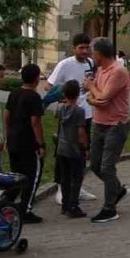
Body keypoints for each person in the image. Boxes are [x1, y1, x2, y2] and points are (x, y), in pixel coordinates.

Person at [42, 34, 99, 205]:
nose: (84, 51)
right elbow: (48, 86)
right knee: (64, 152)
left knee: (81, 152)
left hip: (86, 114)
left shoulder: (90, 64)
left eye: (87, 47)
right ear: (74, 48)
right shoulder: (65, 64)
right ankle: (61, 187)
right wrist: (62, 98)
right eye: (81, 47)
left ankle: (77, 186)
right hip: (68, 117)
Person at [86, 36, 130, 223]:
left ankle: (109, 208)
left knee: (106, 167)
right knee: (95, 165)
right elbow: (95, 98)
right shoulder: (100, 70)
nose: (91, 55)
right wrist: (95, 97)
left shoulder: (118, 71)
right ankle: (117, 190)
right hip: (99, 123)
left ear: (99, 53)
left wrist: (91, 88)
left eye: (93, 52)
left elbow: (103, 98)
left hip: (115, 125)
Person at [6, 63, 46, 223]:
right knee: (32, 176)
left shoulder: (14, 93)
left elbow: (7, 115)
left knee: (16, 175)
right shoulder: (34, 97)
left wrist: (8, 134)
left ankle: (6, 205)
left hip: (13, 141)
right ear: (36, 78)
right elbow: (35, 122)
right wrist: (41, 144)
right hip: (28, 143)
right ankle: (25, 209)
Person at [55, 80, 90, 218]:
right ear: (78, 93)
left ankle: (65, 204)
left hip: (62, 148)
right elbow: (81, 132)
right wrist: (86, 147)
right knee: (77, 178)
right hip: (74, 149)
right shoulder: (79, 111)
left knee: (65, 177)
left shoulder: (61, 109)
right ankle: (73, 205)